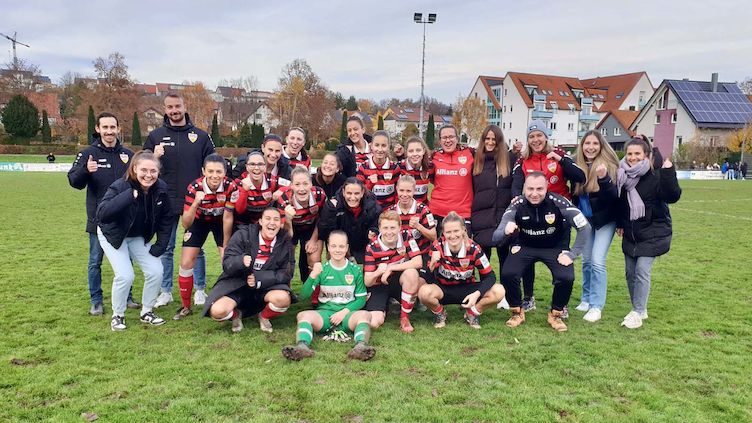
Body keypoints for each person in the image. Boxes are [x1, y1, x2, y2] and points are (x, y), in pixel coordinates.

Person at [493, 172, 592, 332]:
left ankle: (556, 314)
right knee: (508, 273)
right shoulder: (517, 204)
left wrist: (572, 254)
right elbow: (496, 237)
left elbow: (585, 227)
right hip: (525, 245)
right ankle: (517, 311)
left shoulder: (558, 202)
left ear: (547, 188)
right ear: (524, 189)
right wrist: (505, 230)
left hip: (554, 247)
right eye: (530, 189)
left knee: (566, 277)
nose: (534, 193)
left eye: (540, 189)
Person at [143, 92, 215, 308]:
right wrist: (153, 156)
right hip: (164, 201)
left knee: (197, 248)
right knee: (166, 248)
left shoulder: (200, 136)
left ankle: (199, 289)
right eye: (170, 107)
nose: (174, 110)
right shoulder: (156, 136)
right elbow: (142, 168)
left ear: (185, 106)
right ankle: (166, 291)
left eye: (177, 106)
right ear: (165, 109)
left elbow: (212, 164)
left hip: (193, 202)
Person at [511, 120, 585, 313]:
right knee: (527, 256)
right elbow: (516, 188)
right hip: (531, 215)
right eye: (532, 136)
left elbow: (580, 176)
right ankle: (528, 298)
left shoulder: (559, 155)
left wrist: (561, 160)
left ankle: (561, 304)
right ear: (528, 140)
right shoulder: (523, 161)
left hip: (559, 217)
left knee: (561, 256)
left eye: (539, 135)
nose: (536, 140)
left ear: (546, 136)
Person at [68, 112, 138, 315]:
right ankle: (96, 300)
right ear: (98, 129)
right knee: (95, 262)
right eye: (105, 128)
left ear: (118, 129)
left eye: (112, 127)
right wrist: (85, 171)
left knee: (127, 260)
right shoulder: (88, 153)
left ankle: (127, 296)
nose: (109, 131)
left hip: (125, 218)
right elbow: (74, 182)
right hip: (99, 219)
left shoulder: (127, 154)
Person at [96, 151, 173, 331]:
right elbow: (102, 214)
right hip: (113, 235)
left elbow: (166, 218)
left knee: (156, 270)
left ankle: (147, 311)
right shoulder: (120, 186)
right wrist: (129, 196)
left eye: (153, 171)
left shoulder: (161, 188)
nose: (148, 175)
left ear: (158, 172)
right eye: (144, 170)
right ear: (134, 168)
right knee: (125, 275)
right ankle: (118, 314)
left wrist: (161, 244)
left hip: (137, 236)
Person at [616, 138, 681, 329]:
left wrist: (668, 172)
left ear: (646, 155)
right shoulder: (622, 175)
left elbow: (672, 196)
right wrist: (621, 223)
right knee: (630, 272)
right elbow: (621, 204)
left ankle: (637, 311)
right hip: (631, 233)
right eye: (630, 154)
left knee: (641, 270)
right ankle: (638, 307)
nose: (633, 157)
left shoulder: (655, 175)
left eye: (638, 154)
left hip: (654, 232)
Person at [281, 231, 375, 361]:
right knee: (303, 315)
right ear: (328, 247)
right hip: (325, 315)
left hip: (347, 316)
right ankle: (302, 347)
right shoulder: (322, 269)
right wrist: (313, 275)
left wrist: (344, 312)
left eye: (341, 246)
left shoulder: (355, 270)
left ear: (347, 248)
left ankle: (360, 347)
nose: (337, 250)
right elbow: (303, 296)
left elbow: (360, 299)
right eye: (334, 246)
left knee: (365, 315)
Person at [204, 207, 295, 333]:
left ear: (280, 224)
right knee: (217, 311)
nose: (272, 223)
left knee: (283, 298)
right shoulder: (243, 235)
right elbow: (227, 263)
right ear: (260, 222)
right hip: (237, 285)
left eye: (276, 219)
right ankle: (236, 315)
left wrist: (260, 279)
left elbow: (287, 272)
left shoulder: (285, 242)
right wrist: (240, 261)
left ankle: (263, 316)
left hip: (265, 287)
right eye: (267, 219)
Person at [174, 154, 237, 320]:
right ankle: (185, 306)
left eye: (219, 171)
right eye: (210, 171)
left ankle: (231, 300)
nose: (214, 175)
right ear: (203, 171)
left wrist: (225, 245)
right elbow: (186, 224)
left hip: (221, 221)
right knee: (186, 262)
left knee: (228, 260)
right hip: (198, 222)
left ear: (225, 172)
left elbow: (228, 217)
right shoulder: (194, 187)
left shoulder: (231, 186)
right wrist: (196, 203)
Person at [418, 212, 504, 329]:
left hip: (468, 290)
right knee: (424, 292)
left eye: (456, 231)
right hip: (444, 290)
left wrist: (476, 294)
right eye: (448, 232)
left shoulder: (474, 248)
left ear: (463, 230)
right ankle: (440, 313)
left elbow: (490, 276)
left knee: (499, 291)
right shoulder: (437, 246)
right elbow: (427, 278)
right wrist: (432, 264)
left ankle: (472, 313)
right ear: (443, 233)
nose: (452, 236)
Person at [571, 131, 619, 322]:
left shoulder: (609, 166)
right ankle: (586, 297)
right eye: (587, 143)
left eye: (595, 144)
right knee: (587, 260)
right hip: (586, 221)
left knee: (598, 261)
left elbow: (614, 197)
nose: (590, 147)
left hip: (605, 220)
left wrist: (604, 178)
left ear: (601, 146)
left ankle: (596, 306)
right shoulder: (578, 167)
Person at [469, 125, 516, 309]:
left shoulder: (509, 159)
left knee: (506, 260)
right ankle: (485, 293)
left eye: (493, 139)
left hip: (502, 218)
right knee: (483, 261)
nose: (490, 142)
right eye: (486, 139)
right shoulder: (476, 160)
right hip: (481, 218)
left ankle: (504, 295)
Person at [363, 210, 423, 333]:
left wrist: (390, 267)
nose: (389, 232)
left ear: (400, 227)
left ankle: (404, 318)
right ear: (379, 228)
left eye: (392, 227)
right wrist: (378, 272)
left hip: (397, 281)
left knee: (412, 273)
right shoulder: (372, 247)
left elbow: (418, 262)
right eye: (385, 228)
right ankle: (385, 306)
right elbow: (368, 282)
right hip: (378, 285)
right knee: (374, 323)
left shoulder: (406, 235)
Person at [277, 166, 327, 282]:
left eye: (305, 184)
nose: (302, 189)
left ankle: (311, 290)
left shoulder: (319, 194)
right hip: (292, 227)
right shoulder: (283, 200)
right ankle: (285, 288)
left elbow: (323, 220)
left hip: (312, 226)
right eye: (297, 184)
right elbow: (286, 233)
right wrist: (288, 219)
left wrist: (314, 240)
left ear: (311, 184)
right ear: (292, 186)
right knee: (286, 257)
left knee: (313, 257)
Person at [318, 177, 381, 264]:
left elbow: (377, 226)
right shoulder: (333, 205)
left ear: (362, 193)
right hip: (340, 246)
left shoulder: (373, 207)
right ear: (343, 192)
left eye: (356, 193)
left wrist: (373, 231)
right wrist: (331, 212)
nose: (352, 197)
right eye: (349, 193)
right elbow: (324, 232)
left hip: (363, 244)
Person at [223, 151, 282, 240]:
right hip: (242, 226)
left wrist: (281, 190)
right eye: (252, 164)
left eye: (260, 164)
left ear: (265, 167)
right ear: (247, 167)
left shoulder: (273, 180)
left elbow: (292, 185)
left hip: (264, 226)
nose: (256, 168)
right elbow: (239, 210)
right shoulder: (238, 183)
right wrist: (244, 191)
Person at [430, 124, 474, 234]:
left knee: (463, 250)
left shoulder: (470, 153)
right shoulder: (434, 156)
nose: (448, 140)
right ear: (440, 140)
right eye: (444, 137)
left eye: (451, 137)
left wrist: (514, 152)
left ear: (457, 139)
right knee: (436, 249)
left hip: (463, 213)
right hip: (437, 212)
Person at [390, 175, 437, 257]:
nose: (404, 194)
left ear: (414, 191)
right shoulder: (391, 212)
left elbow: (434, 236)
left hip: (421, 254)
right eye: (401, 190)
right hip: (398, 257)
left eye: (408, 191)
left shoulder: (423, 210)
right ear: (396, 189)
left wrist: (418, 226)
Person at [357, 130, 400, 209]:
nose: (380, 149)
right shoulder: (363, 167)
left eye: (383, 145)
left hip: (389, 212)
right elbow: (359, 193)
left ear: (388, 147)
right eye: (377, 145)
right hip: (370, 210)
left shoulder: (395, 168)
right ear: (371, 146)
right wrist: (370, 184)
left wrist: (395, 211)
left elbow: (398, 193)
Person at [398, 136, 432, 204]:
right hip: (403, 210)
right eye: (411, 151)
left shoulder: (430, 167)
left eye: (418, 150)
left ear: (424, 151)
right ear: (406, 152)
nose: (415, 154)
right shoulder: (398, 167)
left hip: (422, 209)